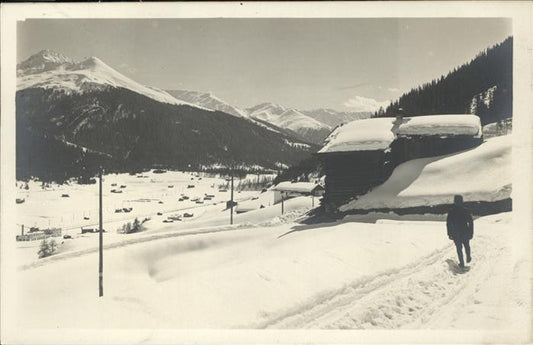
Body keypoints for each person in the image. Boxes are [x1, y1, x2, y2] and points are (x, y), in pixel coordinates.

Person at [446, 195, 474, 268]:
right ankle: (468, 257)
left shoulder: (452, 211)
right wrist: (471, 232)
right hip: (465, 231)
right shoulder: (465, 210)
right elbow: (471, 222)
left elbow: (448, 223)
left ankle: (461, 263)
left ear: (454, 201)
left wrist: (449, 233)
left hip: (456, 233)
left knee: (459, 248)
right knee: (466, 245)